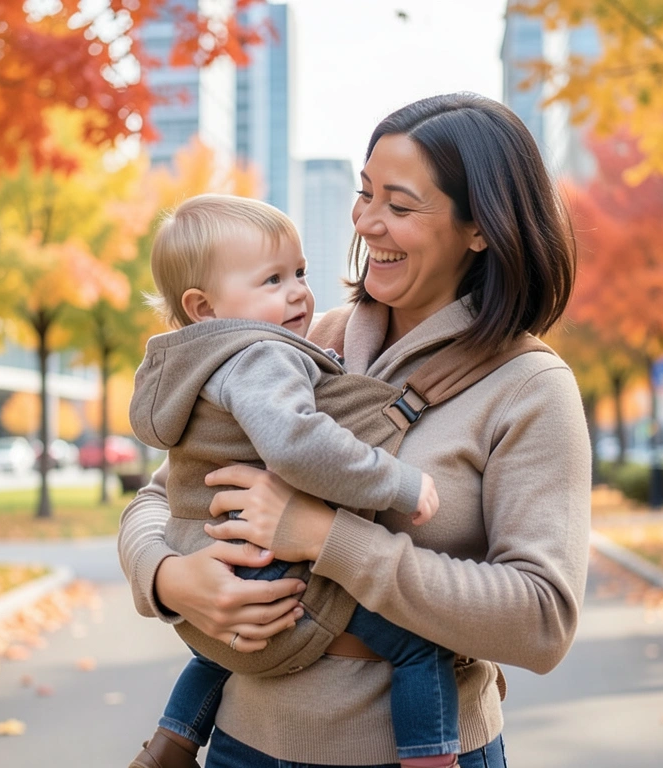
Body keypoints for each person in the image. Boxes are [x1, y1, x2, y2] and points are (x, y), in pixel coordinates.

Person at [119, 92, 592, 767]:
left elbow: (542, 620)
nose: (367, 222)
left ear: (479, 229)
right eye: (365, 193)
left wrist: (325, 537)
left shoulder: (529, 388)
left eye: (399, 206)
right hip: (241, 745)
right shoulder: (298, 342)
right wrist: (170, 578)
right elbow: (160, 496)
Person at [127, 193, 461, 768]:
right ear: (204, 307)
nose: (299, 293)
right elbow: (299, 443)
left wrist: (171, 569)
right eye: (273, 279)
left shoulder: (195, 364)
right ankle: (430, 758)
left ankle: (171, 744)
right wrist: (399, 482)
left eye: (300, 272)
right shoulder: (263, 356)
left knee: (215, 654)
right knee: (420, 646)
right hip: (265, 564)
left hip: (208, 553)